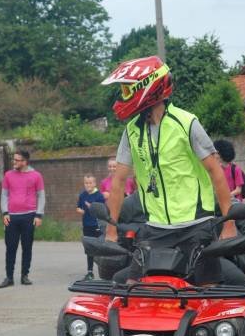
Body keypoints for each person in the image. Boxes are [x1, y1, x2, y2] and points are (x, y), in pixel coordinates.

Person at [101, 55, 236, 285]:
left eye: (127, 89)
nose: (123, 96)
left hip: (196, 225)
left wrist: (229, 223)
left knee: (208, 294)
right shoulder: (131, 131)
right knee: (133, 289)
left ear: (147, 86)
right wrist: (111, 231)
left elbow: (216, 173)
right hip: (154, 227)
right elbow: (118, 181)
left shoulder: (186, 122)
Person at [0, 150, 45, 288]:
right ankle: (9, 277)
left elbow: (41, 196)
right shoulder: (8, 175)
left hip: (29, 216)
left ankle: (25, 275)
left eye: (17, 160)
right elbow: (4, 195)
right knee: (10, 247)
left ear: (25, 161)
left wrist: (39, 215)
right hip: (11, 217)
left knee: (27, 247)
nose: (14, 162)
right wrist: (5, 212)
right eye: (14, 159)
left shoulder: (36, 176)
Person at [77, 173, 105, 280]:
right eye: (86, 183)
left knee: (100, 248)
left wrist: (92, 207)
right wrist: (80, 210)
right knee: (89, 249)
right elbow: (78, 207)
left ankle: (104, 271)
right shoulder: (82, 195)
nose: (88, 185)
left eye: (90, 183)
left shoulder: (99, 196)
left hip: (97, 225)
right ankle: (90, 272)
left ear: (94, 183)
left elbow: (102, 210)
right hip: (87, 225)